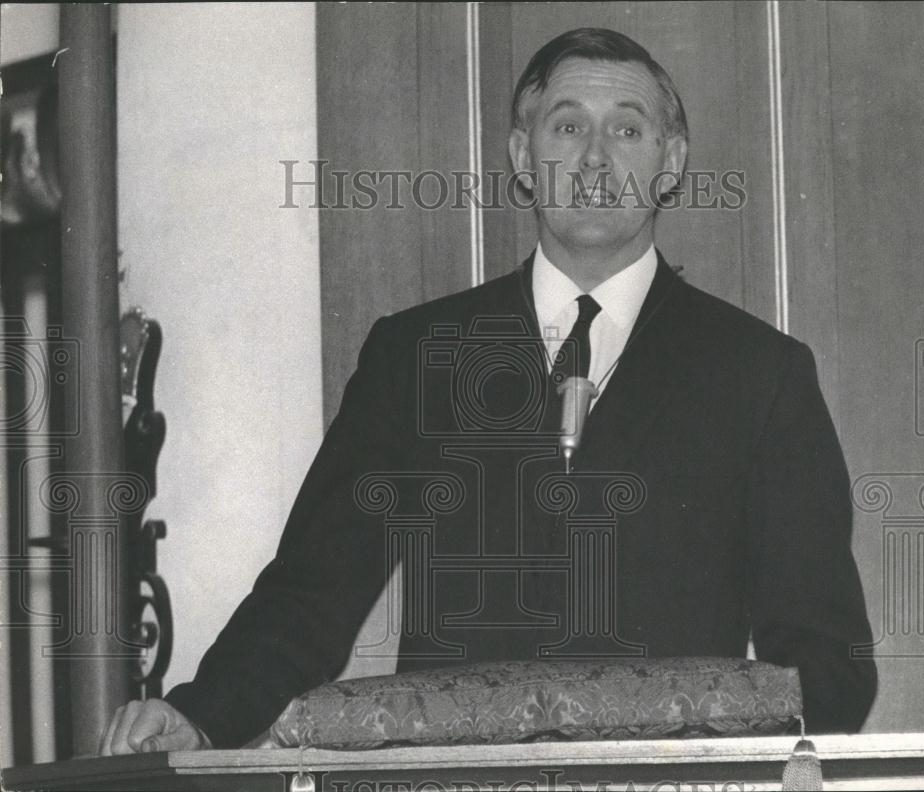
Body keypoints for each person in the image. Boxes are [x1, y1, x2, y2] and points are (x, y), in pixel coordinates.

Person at [100, 27, 876, 755]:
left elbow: (827, 664)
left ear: (671, 163)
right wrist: (198, 716)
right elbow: (312, 591)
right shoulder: (415, 355)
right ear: (522, 154)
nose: (597, 159)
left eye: (628, 130)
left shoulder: (760, 373)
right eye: (568, 128)